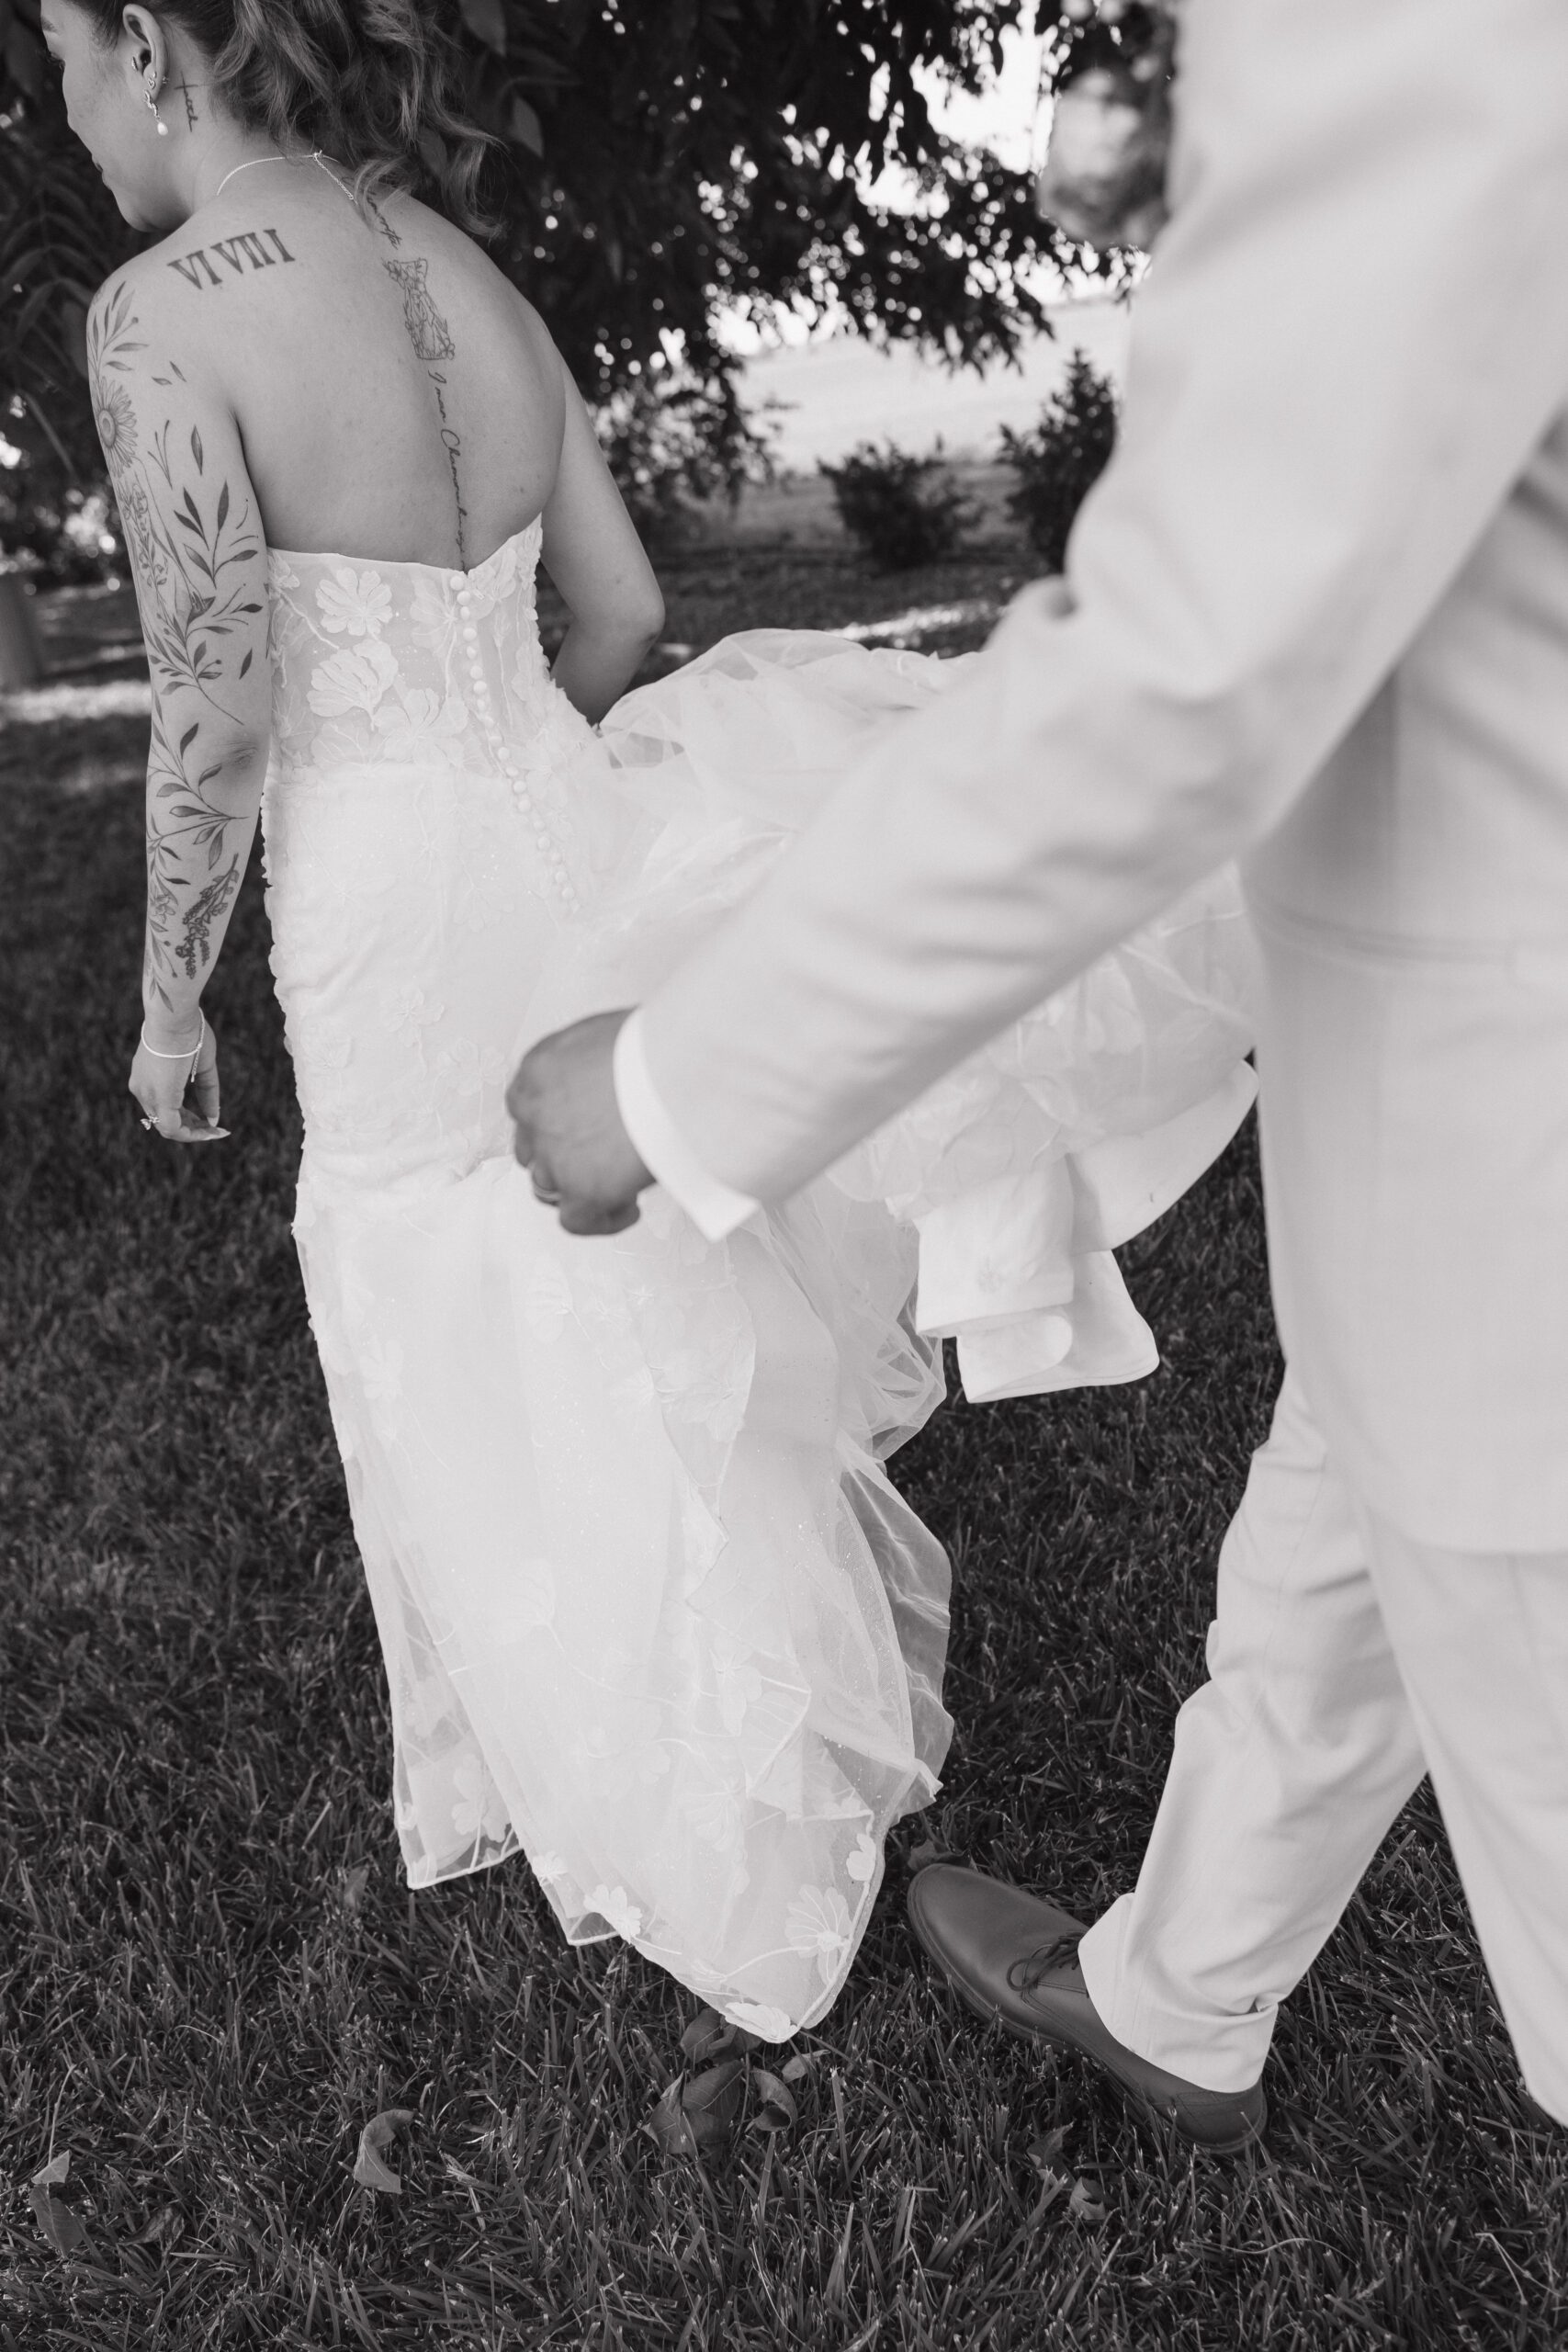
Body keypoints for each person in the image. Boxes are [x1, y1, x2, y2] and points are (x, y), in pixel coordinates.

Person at [51, 0, 1255, 2039]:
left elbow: (220, 704)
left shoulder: (159, 313)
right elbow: (611, 616)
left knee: (448, 1299)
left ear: (154, 50)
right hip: (562, 816)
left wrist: (172, 992)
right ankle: (772, 1776)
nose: (64, 111)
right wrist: (540, 802)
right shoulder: (449, 256)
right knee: (646, 1300)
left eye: (67, 60)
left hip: (382, 889)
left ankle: (663, 1810)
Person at [510, 0, 1568, 2153]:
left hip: (1518, 1101)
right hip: (1454, 1100)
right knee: (1351, 1504)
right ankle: (1182, 1991)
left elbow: (1195, 654)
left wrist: (682, 1076)